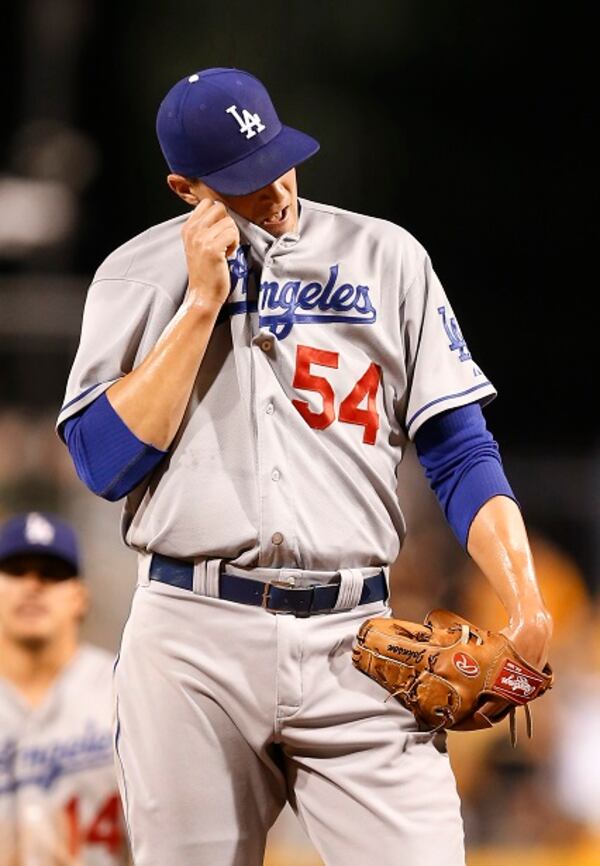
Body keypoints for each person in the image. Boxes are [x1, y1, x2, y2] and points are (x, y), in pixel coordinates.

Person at [56, 67, 552, 866]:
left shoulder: (385, 256)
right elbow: (104, 463)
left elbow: (459, 448)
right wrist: (199, 306)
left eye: (279, 159)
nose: (277, 188)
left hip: (357, 636)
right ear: (186, 188)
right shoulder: (135, 276)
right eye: (246, 181)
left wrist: (523, 597)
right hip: (193, 640)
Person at [0, 511, 128, 866]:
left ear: (80, 596)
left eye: (52, 573)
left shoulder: (124, 693)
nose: (33, 585)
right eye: (15, 570)